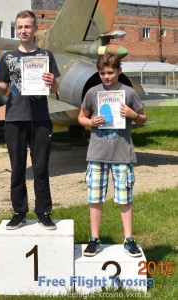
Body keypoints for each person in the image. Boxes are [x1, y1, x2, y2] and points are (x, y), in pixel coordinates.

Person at [0, 10, 60, 230]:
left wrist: (51, 81)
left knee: (40, 168)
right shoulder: (8, 57)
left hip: (40, 119)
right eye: (20, 27)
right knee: (17, 168)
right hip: (15, 118)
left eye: (27, 27)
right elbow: (4, 90)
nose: (23, 31)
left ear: (35, 29)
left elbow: (55, 89)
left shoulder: (46, 55)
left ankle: (44, 212)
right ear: (16, 29)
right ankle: (19, 213)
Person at [78, 52, 147, 257]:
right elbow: (81, 116)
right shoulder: (92, 92)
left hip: (122, 153)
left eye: (110, 72)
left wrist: (132, 115)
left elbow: (143, 117)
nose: (106, 77)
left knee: (125, 198)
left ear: (119, 71)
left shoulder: (128, 93)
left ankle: (129, 239)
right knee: (95, 197)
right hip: (97, 153)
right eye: (102, 73)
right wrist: (91, 122)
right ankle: (94, 239)